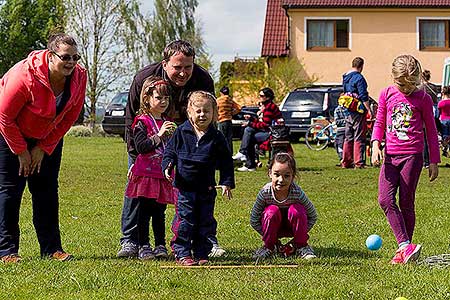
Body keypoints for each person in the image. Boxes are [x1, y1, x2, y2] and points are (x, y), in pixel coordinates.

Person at [118, 40, 217, 258]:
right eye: (177, 67)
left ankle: (199, 238)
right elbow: (131, 119)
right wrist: (135, 158)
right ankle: (130, 240)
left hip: (186, 141)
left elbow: (209, 117)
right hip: (146, 145)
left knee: (191, 190)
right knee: (138, 192)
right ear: (165, 64)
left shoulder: (202, 79)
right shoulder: (144, 78)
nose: (183, 73)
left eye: (188, 67)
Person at [0, 33, 87, 263]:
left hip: (47, 137)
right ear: (50, 56)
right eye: (66, 57)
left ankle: (51, 249)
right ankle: (6, 251)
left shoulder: (79, 76)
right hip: (9, 133)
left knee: (46, 191)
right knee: (10, 191)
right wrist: (20, 151)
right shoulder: (24, 76)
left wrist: (43, 147)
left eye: (75, 57)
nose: (71, 62)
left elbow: (70, 116)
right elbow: (4, 116)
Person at [371, 54, 440, 265]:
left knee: (406, 202)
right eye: (402, 84)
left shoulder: (423, 99)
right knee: (385, 199)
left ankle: (404, 250)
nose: (406, 88)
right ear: (393, 78)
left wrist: (434, 161)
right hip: (391, 156)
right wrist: (375, 144)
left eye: (411, 84)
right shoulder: (386, 94)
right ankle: (405, 245)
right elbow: (380, 121)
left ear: (418, 78)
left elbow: (431, 130)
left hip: (413, 156)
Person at [162, 91, 235, 266]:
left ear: (214, 114)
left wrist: (226, 182)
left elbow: (226, 161)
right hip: (184, 188)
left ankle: (202, 251)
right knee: (185, 220)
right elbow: (169, 152)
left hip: (207, 189)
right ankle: (182, 251)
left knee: (205, 221)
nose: (202, 115)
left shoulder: (217, 137)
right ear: (189, 112)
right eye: (198, 111)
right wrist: (167, 166)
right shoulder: (181, 132)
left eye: (207, 112)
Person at [125, 76, 177, 260]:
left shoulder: (168, 121)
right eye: (158, 97)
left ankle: (160, 244)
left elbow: (172, 147)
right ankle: (143, 245)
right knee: (144, 211)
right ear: (147, 98)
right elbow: (141, 147)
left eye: (166, 98)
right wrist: (159, 135)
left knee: (159, 212)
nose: (163, 102)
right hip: (145, 175)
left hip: (161, 174)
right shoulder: (142, 121)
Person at [250, 152, 317, 260]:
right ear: (270, 173)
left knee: (297, 210)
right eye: (277, 174)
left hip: (293, 227)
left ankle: (301, 246)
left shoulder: (297, 193)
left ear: (293, 176)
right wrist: (269, 237)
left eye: (286, 176)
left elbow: (312, 216)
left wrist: (299, 236)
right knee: (271, 211)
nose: (281, 180)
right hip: (272, 227)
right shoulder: (265, 193)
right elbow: (254, 219)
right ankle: (269, 247)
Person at [233, 87, 282, 172]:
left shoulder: (270, 107)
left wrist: (250, 123)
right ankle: (247, 160)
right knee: (249, 133)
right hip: (267, 131)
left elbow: (265, 125)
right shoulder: (266, 106)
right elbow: (261, 122)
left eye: (261, 96)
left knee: (249, 133)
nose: (260, 97)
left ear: (268, 97)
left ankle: (248, 161)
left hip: (272, 133)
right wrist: (251, 119)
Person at [341, 57, 371, 169]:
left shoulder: (345, 78)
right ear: (361, 66)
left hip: (348, 109)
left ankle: (346, 161)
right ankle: (359, 162)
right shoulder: (359, 78)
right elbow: (363, 95)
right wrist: (368, 109)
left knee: (348, 136)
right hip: (358, 110)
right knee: (359, 135)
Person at [216, 86, 241, 153]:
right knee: (229, 139)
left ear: (221, 93)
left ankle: (223, 154)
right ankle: (230, 154)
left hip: (221, 120)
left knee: (222, 138)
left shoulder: (218, 100)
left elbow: (215, 109)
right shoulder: (230, 100)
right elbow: (239, 108)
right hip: (229, 121)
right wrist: (231, 113)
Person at [438, 86, 450, 157]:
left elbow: (438, 113)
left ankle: (445, 150)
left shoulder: (441, 103)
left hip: (443, 120)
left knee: (445, 136)